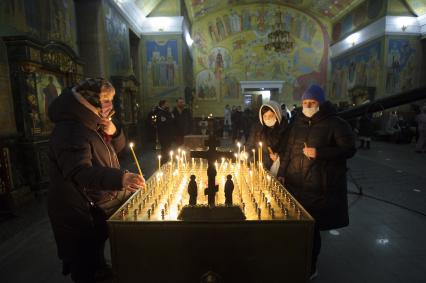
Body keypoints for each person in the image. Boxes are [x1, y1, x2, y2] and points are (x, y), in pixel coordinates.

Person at [47, 78, 145, 283]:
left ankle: (101, 268)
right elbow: (80, 172)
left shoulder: (90, 122)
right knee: (85, 262)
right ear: (90, 100)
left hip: (95, 201)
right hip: (78, 208)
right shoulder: (71, 129)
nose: (110, 104)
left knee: (96, 252)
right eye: (107, 99)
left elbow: (113, 151)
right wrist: (121, 178)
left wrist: (114, 132)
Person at [279, 84, 356, 280]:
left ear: (320, 103)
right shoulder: (298, 123)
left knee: (312, 229)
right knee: (298, 226)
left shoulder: (336, 124)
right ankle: (297, 258)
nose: (307, 106)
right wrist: (281, 173)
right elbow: (288, 152)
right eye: (304, 103)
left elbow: (349, 149)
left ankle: (311, 265)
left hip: (319, 186)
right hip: (296, 185)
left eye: (311, 103)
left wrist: (319, 153)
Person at [246, 100, 288, 176]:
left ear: (277, 115)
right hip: (259, 166)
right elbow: (250, 143)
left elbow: (288, 150)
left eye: (270, 116)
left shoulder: (285, 129)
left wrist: (279, 157)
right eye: (265, 116)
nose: (267, 119)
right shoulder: (257, 128)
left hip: (277, 169)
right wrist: (246, 152)